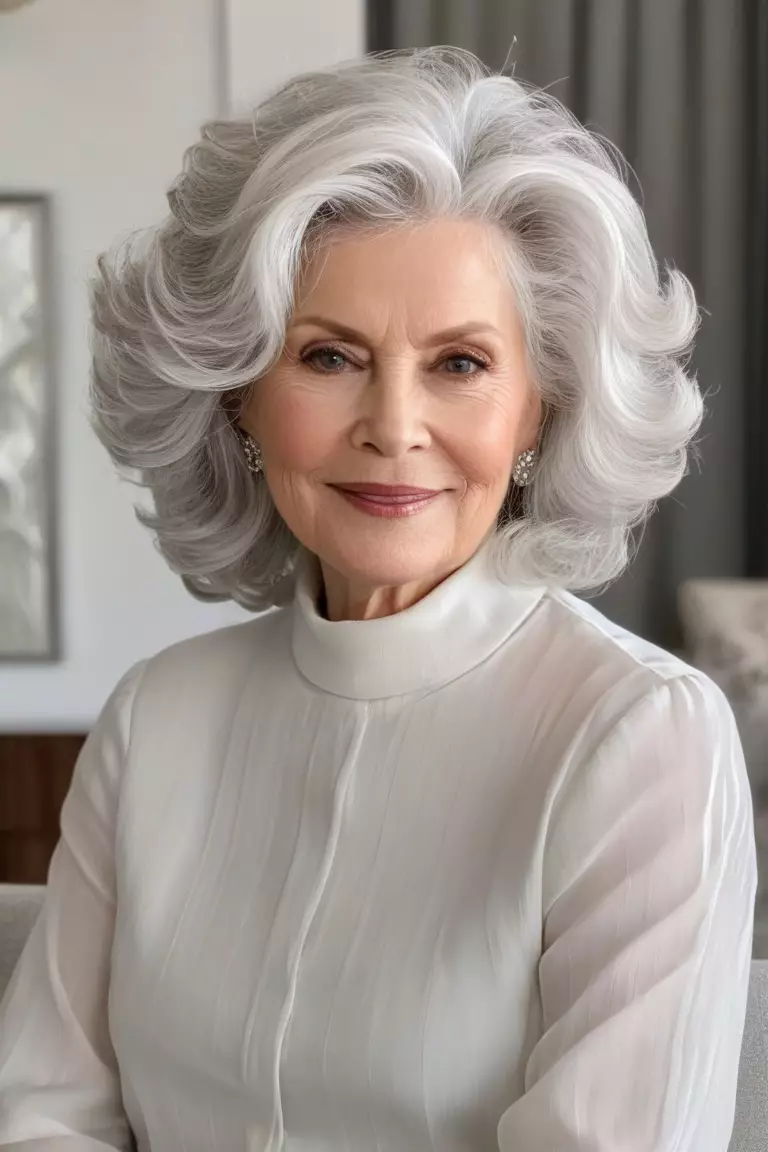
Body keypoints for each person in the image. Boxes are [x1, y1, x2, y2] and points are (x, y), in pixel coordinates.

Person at [0, 45, 757, 1152]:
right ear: (237, 398)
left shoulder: (640, 735)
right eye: (328, 355)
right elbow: (44, 1115)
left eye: (459, 364)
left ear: (538, 412)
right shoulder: (156, 718)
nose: (394, 426)